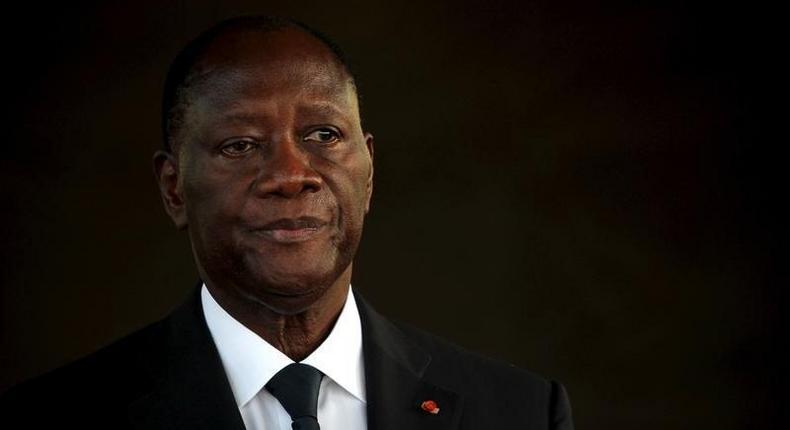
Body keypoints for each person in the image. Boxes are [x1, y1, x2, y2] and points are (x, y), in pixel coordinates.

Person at [0, 16, 574, 429]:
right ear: (174, 188)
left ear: (369, 170)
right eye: (241, 144)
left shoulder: (521, 411)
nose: (291, 175)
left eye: (324, 135)